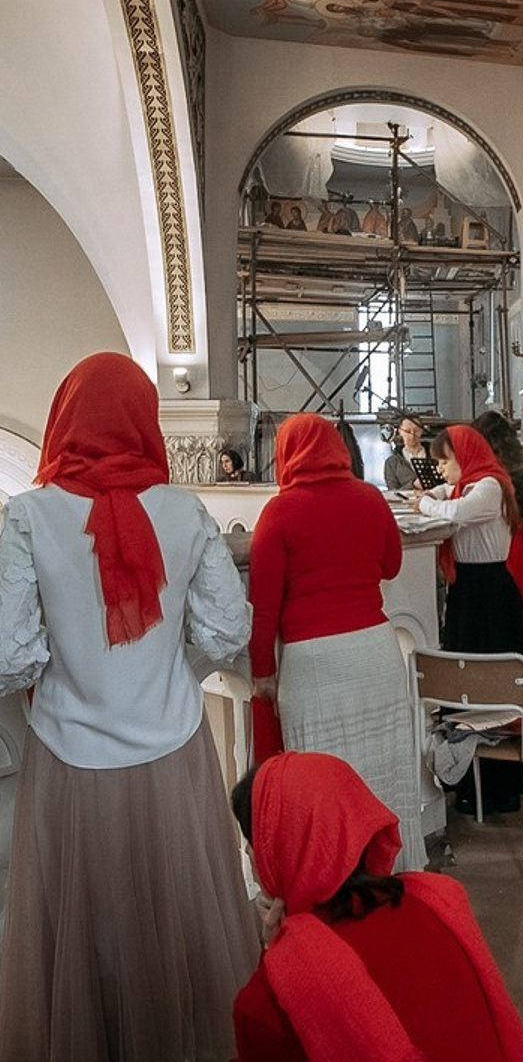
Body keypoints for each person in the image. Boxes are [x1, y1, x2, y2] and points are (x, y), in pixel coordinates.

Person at [0, 352, 258, 1062]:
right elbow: (228, 630)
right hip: (171, 752)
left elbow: (7, 655)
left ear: (63, 419)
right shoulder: (183, 512)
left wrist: (67, 663)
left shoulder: (29, 517)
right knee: (174, 926)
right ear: (144, 419)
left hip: (67, 759)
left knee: (77, 942)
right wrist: (176, 667)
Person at [231, 751, 523, 1062]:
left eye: (251, 846)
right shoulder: (434, 899)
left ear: (270, 853)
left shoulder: (264, 1005)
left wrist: (276, 952)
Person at [249, 413, 423, 870]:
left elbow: (262, 606)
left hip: (314, 663)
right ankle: (392, 874)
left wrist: (262, 671)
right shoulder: (368, 498)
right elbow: (391, 566)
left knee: (321, 779)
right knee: (382, 770)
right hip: (375, 651)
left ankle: (329, 878)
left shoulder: (280, 511)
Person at [414, 425, 523, 817]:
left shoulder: (490, 487)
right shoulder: (471, 485)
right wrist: (434, 494)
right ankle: (468, 785)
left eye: (446, 461)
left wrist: (425, 503)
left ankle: (498, 790)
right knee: (464, 691)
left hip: (489, 596)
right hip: (469, 594)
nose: (442, 470)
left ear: (467, 456)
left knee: (488, 692)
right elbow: (445, 495)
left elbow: (455, 510)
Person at [471, 410, 523, 716]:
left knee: (509, 623)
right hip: (520, 544)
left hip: (505, 548)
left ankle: (512, 705)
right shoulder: (515, 470)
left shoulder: (493, 475)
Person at [383, 413, 432, 492]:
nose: (412, 435)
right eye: (407, 431)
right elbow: (392, 492)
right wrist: (413, 485)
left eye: (416, 430)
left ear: (422, 431)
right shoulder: (391, 462)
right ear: (400, 431)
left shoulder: (435, 455)